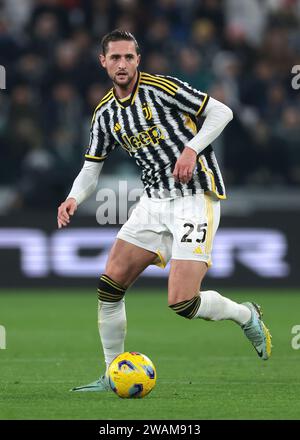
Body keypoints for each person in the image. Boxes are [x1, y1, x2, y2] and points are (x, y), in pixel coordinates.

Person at [57, 29, 272, 392]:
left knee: (182, 302)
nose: (122, 64)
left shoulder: (163, 88)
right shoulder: (105, 113)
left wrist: (191, 149)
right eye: (115, 58)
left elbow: (222, 113)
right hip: (153, 202)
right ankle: (112, 375)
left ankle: (245, 314)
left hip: (194, 197)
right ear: (103, 62)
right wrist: (74, 197)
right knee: (110, 285)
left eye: (129, 57)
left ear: (138, 59)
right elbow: (91, 168)